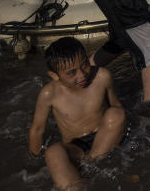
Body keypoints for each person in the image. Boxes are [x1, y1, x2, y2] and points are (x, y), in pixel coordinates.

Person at [28, 37, 127, 191]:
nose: (81, 75)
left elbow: (116, 105)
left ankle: (90, 164)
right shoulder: (49, 93)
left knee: (117, 114)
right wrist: (35, 163)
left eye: (85, 65)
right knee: (53, 152)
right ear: (54, 76)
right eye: (71, 73)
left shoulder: (102, 77)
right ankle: (77, 186)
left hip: (105, 135)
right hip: (76, 147)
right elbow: (37, 130)